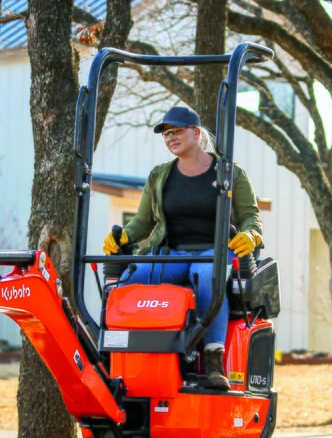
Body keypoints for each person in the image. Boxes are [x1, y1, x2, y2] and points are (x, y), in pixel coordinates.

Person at [102, 104, 263, 391]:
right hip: (172, 254)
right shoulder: (160, 175)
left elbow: (251, 215)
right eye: (165, 134)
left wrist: (251, 234)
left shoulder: (229, 173)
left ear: (196, 133)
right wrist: (124, 236)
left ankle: (214, 359)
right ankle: (114, 352)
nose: (170, 138)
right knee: (126, 284)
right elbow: (142, 222)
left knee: (207, 278)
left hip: (213, 252)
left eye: (176, 131)